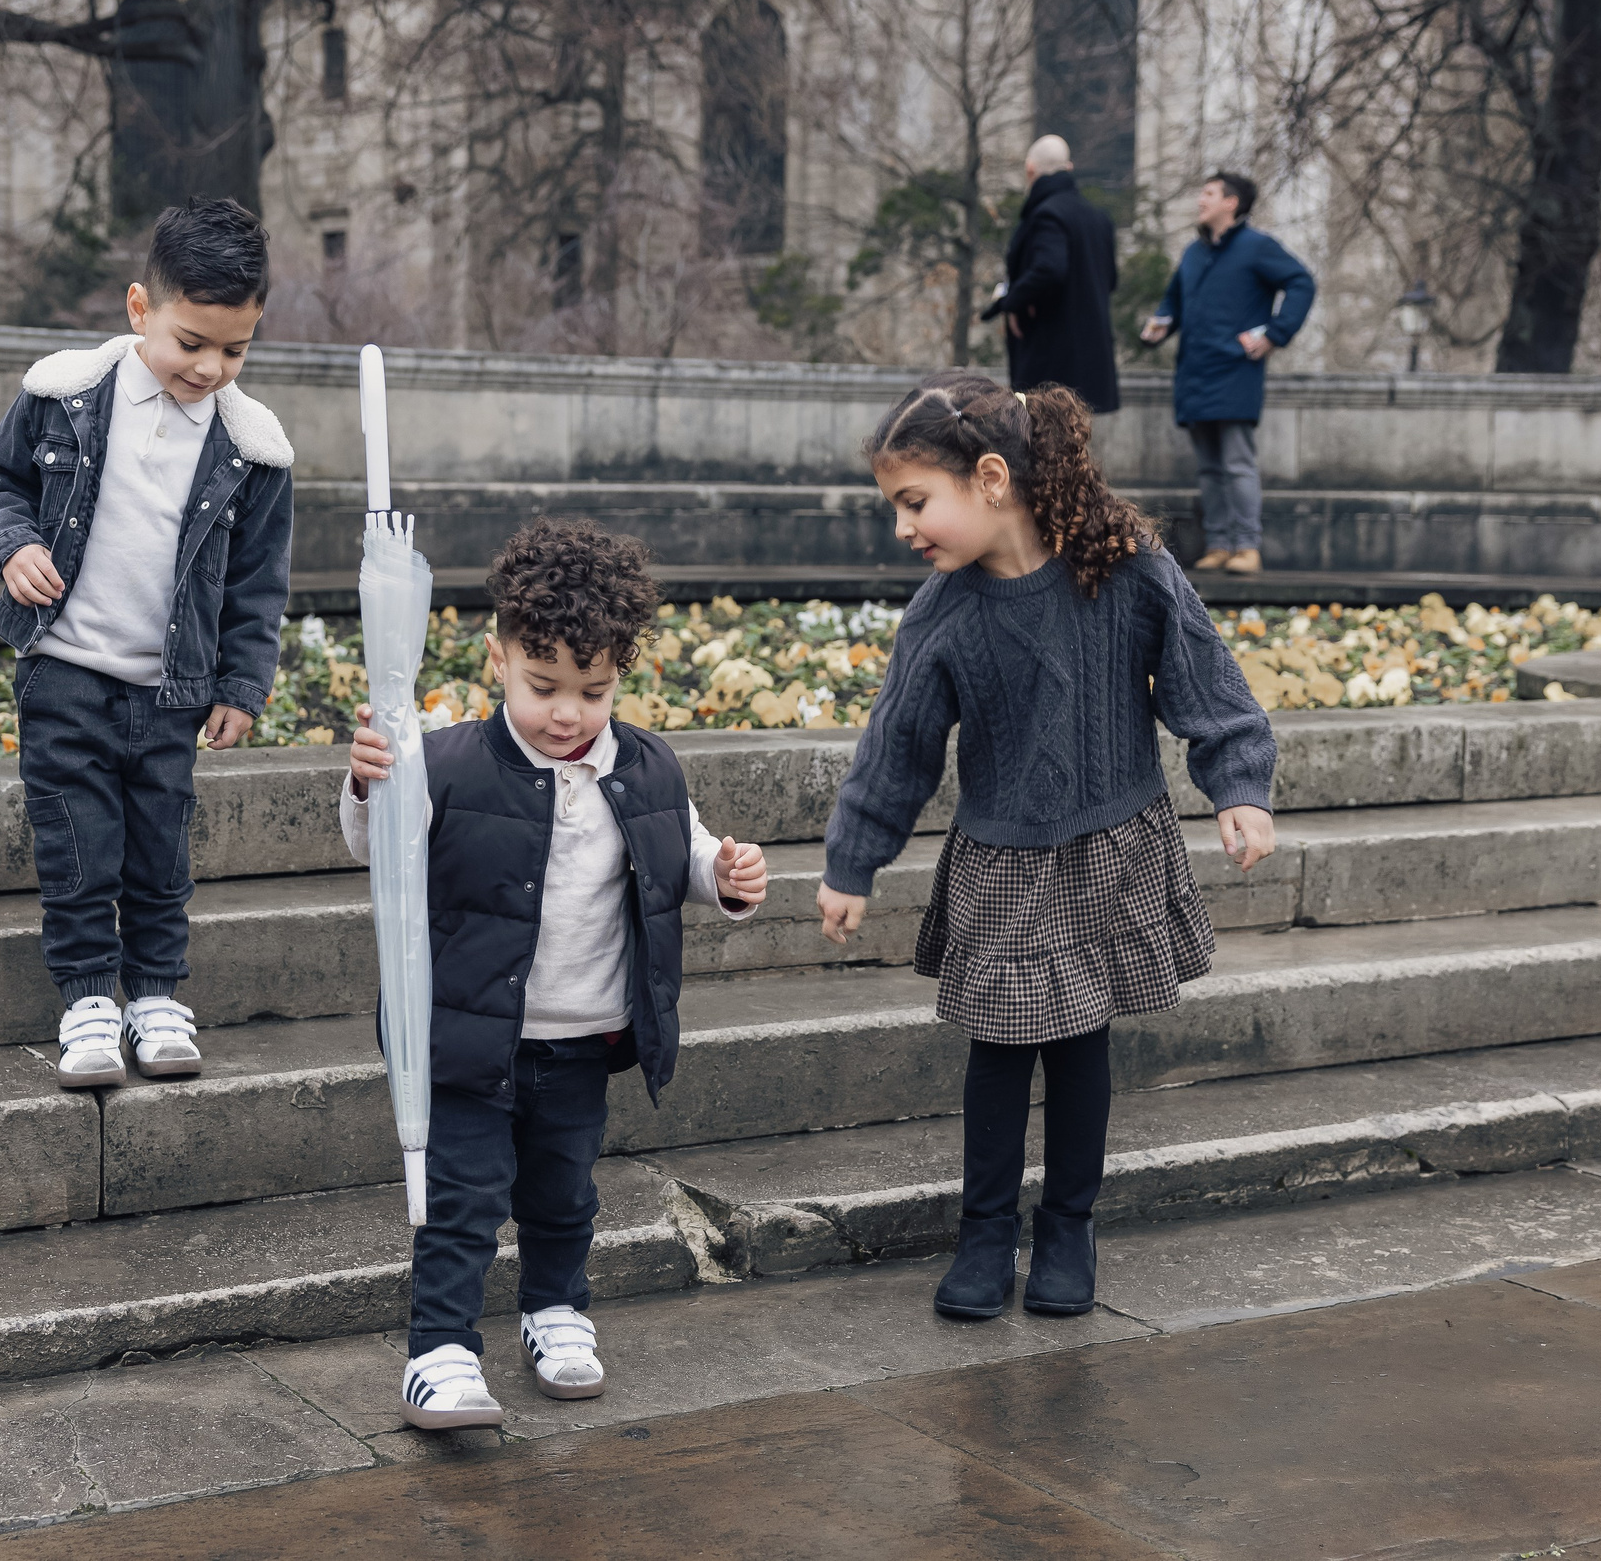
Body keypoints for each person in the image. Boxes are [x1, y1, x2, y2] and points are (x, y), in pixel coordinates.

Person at [813, 371, 1276, 1322]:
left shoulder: (1124, 560)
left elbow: (1203, 671)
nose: (904, 529)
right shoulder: (941, 614)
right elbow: (896, 746)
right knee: (999, 1047)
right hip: (1003, 856)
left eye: (914, 502)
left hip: (1111, 838)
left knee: (1078, 1045)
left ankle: (1069, 1225)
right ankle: (986, 1233)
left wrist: (1238, 785)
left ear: (990, 478)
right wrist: (852, 859)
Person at [345, 517, 768, 1430]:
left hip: (582, 1037)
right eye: (543, 686)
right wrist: (371, 781)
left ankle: (555, 1310)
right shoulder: (447, 762)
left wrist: (725, 877)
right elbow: (381, 848)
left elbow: (680, 854)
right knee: (461, 1201)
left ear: (621, 675)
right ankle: (443, 1354)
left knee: (563, 1190)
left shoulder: (647, 765)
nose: (567, 711)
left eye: (593, 688)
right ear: (498, 658)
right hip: (467, 1036)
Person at [0, 199, 294, 1089]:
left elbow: (258, 583)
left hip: (170, 689)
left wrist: (241, 682)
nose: (210, 368)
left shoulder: (251, 447)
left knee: (159, 848)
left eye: (235, 350)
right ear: (139, 308)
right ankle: (87, 1001)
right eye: (192, 342)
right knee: (76, 844)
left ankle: (155, 994)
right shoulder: (63, 396)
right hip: (64, 669)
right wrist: (15, 545)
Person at [1140, 171, 1316, 575]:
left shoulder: (1257, 247)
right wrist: (1158, 327)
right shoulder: (1192, 253)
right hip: (1194, 372)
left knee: (1237, 462)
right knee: (1209, 467)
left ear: (1231, 203)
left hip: (1235, 371)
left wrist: (1275, 334)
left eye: (1208, 194)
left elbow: (1302, 283)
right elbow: (1173, 304)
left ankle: (1246, 546)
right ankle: (1219, 544)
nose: (1200, 201)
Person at [980, 134, 1120, 414]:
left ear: (1030, 169)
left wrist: (1012, 302)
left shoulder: (1046, 215)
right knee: (1076, 444)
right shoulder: (1098, 218)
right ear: (1068, 168)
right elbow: (1111, 280)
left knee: (1044, 442)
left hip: (1052, 356)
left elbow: (1049, 269)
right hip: (1089, 356)